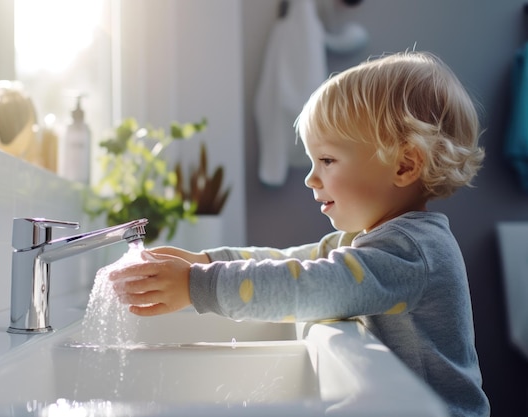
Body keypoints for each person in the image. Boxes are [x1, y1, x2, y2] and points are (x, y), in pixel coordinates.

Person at [108, 51, 490, 417]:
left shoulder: (411, 250)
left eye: (327, 160)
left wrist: (198, 286)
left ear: (405, 164)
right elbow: (295, 261)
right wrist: (206, 261)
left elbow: (312, 286)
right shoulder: (371, 238)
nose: (311, 178)